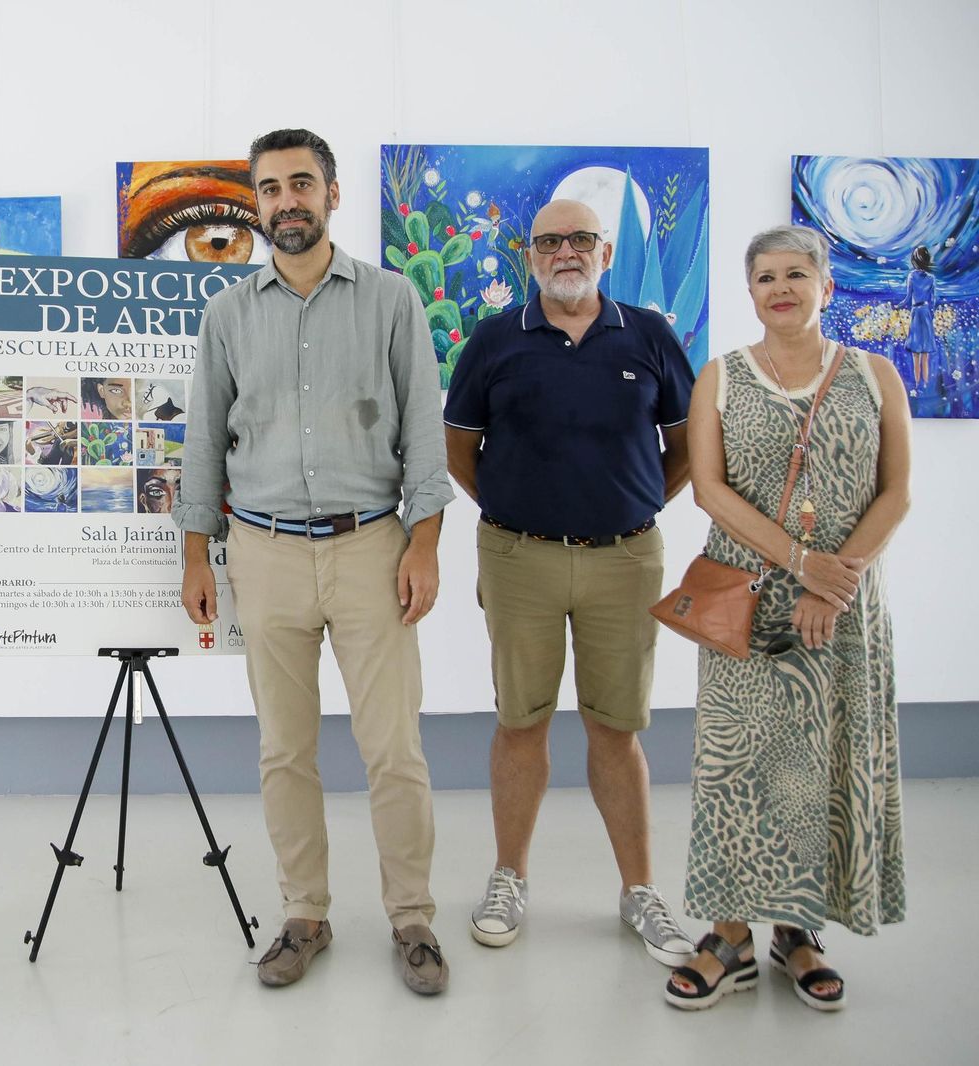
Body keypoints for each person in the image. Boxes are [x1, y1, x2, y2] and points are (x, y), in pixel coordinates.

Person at [176, 128, 454, 996]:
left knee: (394, 750)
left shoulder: (391, 297)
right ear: (255, 204)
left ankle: (412, 919)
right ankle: (304, 913)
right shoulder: (228, 313)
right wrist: (196, 556)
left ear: (333, 194)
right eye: (269, 188)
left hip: (373, 546)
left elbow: (422, 429)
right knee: (284, 751)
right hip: (261, 553)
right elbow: (201, 442)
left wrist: (425, 543)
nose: (286, 201)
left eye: (303, 184)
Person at [443, 198, 697, 968]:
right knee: (521, 722)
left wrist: (635, 503)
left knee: (615, 730)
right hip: (520, 559)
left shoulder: (649, 335)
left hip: (627, 558)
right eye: (548, 241)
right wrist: (519, 510)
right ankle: (508, 877)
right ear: (530, 257)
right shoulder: (495, 340)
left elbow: (684, 447)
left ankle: (640, 892)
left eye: (579, 238)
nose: (564, 252)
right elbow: (460, 452)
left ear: (605, 251)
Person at [665, 225, 910, 1011]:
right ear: (751, 293)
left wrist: (831, 586)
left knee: (818, 771)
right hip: (750, 607)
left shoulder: (876, 376)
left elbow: (895, 493)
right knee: (738, 773)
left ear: (826, 287)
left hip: (842, 611)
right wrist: (802, 567)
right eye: (765, 276)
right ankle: (729, 934)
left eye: (797, 274)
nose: (781, 287)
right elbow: (708, 489)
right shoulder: (723, 377)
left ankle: (798, 933)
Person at [905, 244, 938, 388]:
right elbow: (934, 300)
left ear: (914, 260)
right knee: (925, 354)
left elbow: (907, 298)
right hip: (926, 313)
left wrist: (898, 306)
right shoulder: (931, 278)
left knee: (915, 354)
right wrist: (932, 314)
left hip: (916, 312)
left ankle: (918, 384)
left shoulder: (911, 276)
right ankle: (925, 384)